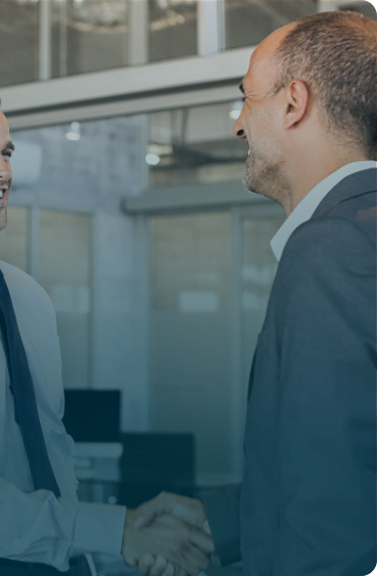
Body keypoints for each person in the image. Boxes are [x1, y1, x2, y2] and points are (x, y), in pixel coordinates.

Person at [0, 83, 214, 576]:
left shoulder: (28, 296)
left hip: (64, 562)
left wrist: (111, 547)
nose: (3, 170)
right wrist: (113, 531)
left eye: (6, 151)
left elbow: (54, 449)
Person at [131, 9, 377, 576]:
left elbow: (335, 521)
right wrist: (218, 520)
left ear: (294, 103)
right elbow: (351, 464)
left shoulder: (331, 247)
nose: (238, 124)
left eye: (246, 98)